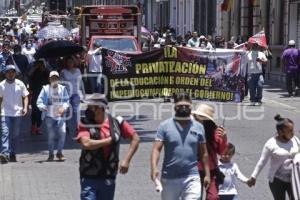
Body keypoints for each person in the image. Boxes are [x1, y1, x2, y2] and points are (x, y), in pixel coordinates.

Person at [77, 94, 140, 200]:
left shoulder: (116, 122)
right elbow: (86, 143)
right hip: (89, 176)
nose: (87, 110)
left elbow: (135, 138)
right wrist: (110, 140)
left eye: (90, 107)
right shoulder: (84, 123)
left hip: (108, 175)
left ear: (100, 108)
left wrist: (127, 160)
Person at [151, 93, 210, 200]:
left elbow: (204, 153)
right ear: (175, 106)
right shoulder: (164, 126)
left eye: (186, 105)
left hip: (192, 176)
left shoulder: (199, 127)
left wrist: (207, 174)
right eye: (180, 105)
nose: (184, 108)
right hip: (169, 177)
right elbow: (156, 149)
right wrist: (154, 168)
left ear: (191, 106)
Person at [247, 114, 300, 200]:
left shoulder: (295, 140)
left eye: (293, 129)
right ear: (281, 132)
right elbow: (262, 161)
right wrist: (253, 176)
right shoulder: (271, 144)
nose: (293, 132)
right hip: (277, 181)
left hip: (294, 179)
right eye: (290, 130)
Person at [192, 104, 228, 200]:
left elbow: (221, 152)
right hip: (194, 170)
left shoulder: (215, 132)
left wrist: (224, 138)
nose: (196, 118)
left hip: (212, 170)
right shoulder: (191, 130)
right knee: (195, 197)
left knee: (213, 197)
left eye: (200, 116)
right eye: (197, 116)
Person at [36, 71, 70, 161]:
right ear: (49, 79)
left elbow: (67, 101)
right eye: (52, 78)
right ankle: (51, 154)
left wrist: (64, 107)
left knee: (63, 133)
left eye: (56, 78)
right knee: (51, 136)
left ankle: (59, 153)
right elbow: (39, 102)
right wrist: (43, 107)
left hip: (60, 116)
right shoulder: (45, 89)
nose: (54, 80)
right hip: (49, 116)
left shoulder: (63, 89)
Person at [0, 65, 29, 163]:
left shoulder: (20, 84)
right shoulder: (1, 85)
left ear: (15, 73)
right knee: (5, 133)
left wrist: (25, 107)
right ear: (5, 73)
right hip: (5, 112)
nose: (10, 74)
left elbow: (25, 96)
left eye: (12, 72)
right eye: (8, 72)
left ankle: (13, 153)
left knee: (15, 135)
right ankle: (4, 153)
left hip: (17, 113)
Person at [60, 56, 85, 136]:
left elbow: (81, 82)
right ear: (66, 63)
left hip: (76, 94)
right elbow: (61, 83)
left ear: (74, 62)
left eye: (71, 62)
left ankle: (78, 127)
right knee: (66, 111)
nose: (70, 63)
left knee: (76, 111)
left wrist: (84, 93)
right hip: (66, 94)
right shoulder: (63, 72)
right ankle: (65, 126)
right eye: (68, 62)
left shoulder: (78, 71)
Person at [28, 59, 50, 135]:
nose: (40, 64)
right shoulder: (33, 68)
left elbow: (50, 78)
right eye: (39, 62)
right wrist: (36, 67)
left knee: (40, 111)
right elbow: (29, 74)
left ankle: (38, 127)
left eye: (41, 62)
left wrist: (44, 67)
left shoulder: (46, 69)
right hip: (35, 92)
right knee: (34, 110)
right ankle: (33, 126)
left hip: (44, 92)